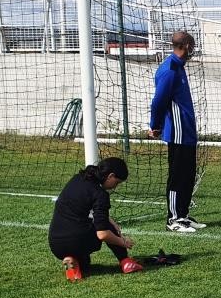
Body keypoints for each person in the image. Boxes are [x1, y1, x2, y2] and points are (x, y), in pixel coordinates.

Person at [49, 157, 143, 280]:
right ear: (110, 176)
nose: (115, 187)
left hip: (56, 244)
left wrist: (110, 220)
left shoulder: (77, 178)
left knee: (85, 263)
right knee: (104, 225)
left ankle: (71, 258)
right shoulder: (100, 194)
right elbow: (103, 234)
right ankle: (126, 262)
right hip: (77, 241)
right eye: (117, 182)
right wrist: (123, 242)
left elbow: (84, 208)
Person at [148, 30, 203, 233]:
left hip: (187, 132)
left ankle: (183, 215)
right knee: (177, 175)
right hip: (177, 132)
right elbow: (158, 101)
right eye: (193, 46)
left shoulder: (179, 67)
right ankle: (173, 219)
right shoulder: (169, 69)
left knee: (188, 175)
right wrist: (155, 125)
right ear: (186, 46)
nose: (193, 50)